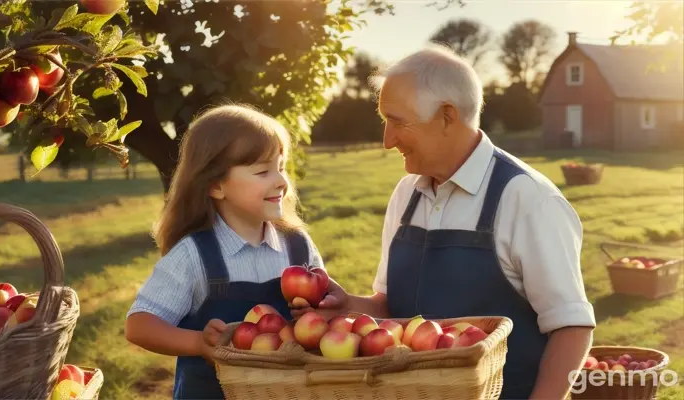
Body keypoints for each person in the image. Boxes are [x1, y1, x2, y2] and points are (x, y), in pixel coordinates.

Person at [292, 44, 596, 399]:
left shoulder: (527, 200)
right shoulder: (407, 195)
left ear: (447, 116)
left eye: (397, 121)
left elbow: (571, 328)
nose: (387, 140)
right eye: (384, 121)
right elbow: (393, 308)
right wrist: (348, 306)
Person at [125, 103, 325, 400]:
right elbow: (139, 325)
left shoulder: (297, 246)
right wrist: (198, 344)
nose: (281, 181)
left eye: (281, 168)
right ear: (216, 185)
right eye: (262, 171)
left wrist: (316, 312)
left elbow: (328, 312)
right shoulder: (194, 255)